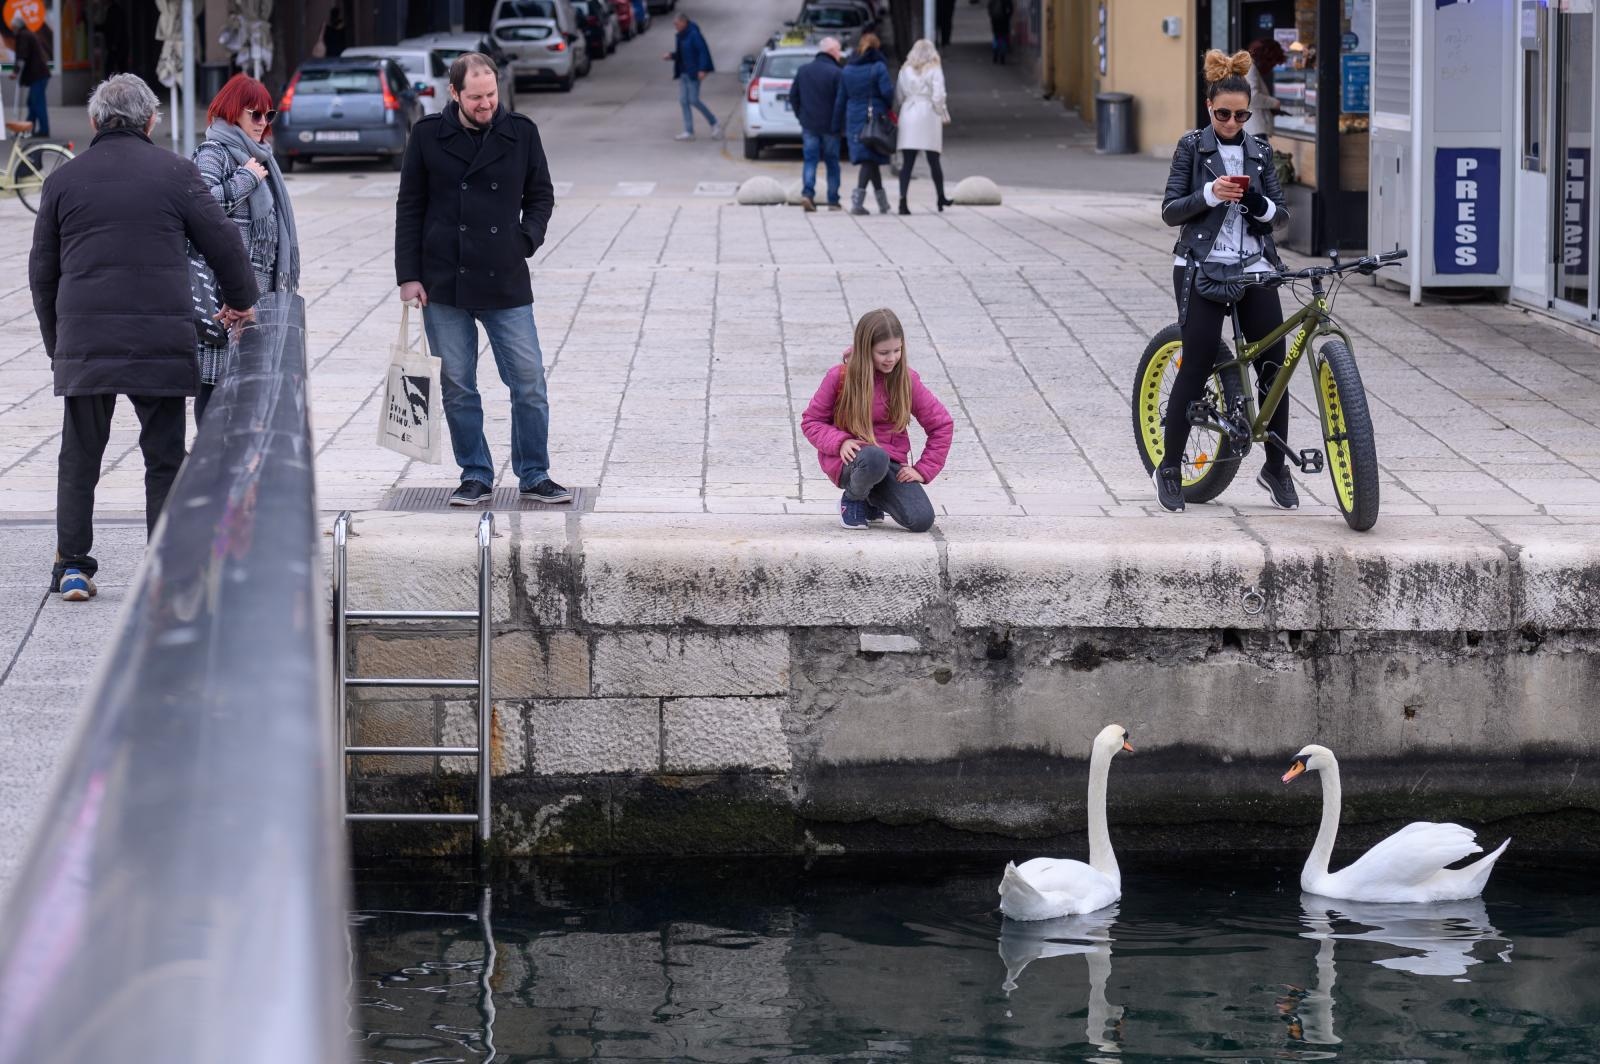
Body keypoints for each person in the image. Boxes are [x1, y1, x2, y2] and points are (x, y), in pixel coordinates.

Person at [29, 74, 258, 601]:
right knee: (164, 457)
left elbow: (42, 273)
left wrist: (58, 345)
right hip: (160, 339)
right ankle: (165, 565)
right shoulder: (176, 172)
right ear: (151, 120)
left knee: (80, 456)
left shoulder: (64, 179)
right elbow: (224, 243)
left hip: (86, 340)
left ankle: (73, 567)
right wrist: (241, 300)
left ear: (94, 121)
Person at [395, 53, 569, 507]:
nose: (486, 103)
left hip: (505, 278)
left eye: (491, 94)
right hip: (444, 280)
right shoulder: (427, 135)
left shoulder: (521, 132)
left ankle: (534, 473)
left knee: (529, 381)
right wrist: (409, 276)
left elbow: (541, 195)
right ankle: (475, 472)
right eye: (475, 97)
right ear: (454, 93)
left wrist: (524, 240)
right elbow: (410, 206)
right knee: (457, 385)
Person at [1156, 50, 1293, 515]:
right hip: (1201, 265)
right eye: (1223, 114)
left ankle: (1275, 468)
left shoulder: (1260, 152)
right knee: (1196, 363)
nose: (1232, 122)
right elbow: (1170, 210)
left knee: (1273, 367)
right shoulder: (1192, 147)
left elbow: (1280, 215)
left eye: (1241, 115)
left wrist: (1257, 203)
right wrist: (1210, 194)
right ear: (1209, 108)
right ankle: (1170, 469)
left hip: (1254, 267)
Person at [190, 74, 299, 423]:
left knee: (250, 388)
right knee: (216, 385)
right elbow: (200, 208)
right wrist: (246, 179)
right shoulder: (213, 152)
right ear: (233, 110)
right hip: (223, 294)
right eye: (255, 114)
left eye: (269, 115)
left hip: (258, 295)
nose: (263, 122)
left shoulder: (262, 156)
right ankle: (210, 452)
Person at [800, 308, 953, 533]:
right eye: (883, 352)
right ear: (865, 349)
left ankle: (872, 497)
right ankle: (853, 498)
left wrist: (923, 469)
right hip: (851, 461)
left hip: (890, 463)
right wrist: (840, 441)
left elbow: (942, 424)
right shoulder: (839, 377)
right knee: (874, 457)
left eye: (897, 350)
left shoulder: (906, 380)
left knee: (921, 520)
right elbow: (811, 421)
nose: (891, 358)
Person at [834, 32, 893, 216]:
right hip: (874, 117)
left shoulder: (848, 70)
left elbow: (841, 98)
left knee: (870, 158)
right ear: (877, 48)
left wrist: (836, 124)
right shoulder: (878, 67)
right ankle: (857, 202)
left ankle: (883, 204)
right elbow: (887, 93)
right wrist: (888, 107)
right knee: (869, 159)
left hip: (854, 118)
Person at [894, 39, 952, 215]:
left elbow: (899, 94)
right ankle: (940, 197)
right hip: (928, 114)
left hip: (908, 112)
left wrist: (905, 106)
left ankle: (903, 201)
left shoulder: (905, 69)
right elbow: (939, 94)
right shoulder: (934, 68)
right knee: (933, 159)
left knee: (907, 162)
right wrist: (939, 110)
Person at [789, 36, 844, 213]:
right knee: (832, 162)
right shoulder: (837, 73)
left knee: (810, 160)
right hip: (831, 126)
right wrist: (840, 123)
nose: (840, 54)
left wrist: (801, 116)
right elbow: (841, 101)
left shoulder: (804, 70)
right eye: (839, 50)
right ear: (832, 52)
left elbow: (793, 96)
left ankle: (807, 193)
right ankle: (833, 200)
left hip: (809, 124)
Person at [663, 12, 719, 141]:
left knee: (694, 100)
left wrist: (703, 69)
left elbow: (703, 51)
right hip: (683, 72)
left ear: (684, 22)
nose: (675, 27)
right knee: (683, 101)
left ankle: (714, 122)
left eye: (677, 24)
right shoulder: (681, 36)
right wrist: (671, 56)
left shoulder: (694, 34)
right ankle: (688, 131)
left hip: (693, 72)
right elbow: (682, 54)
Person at [6, 15, 50, 138]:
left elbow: (22, 55)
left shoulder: (23, 36)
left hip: (38, 75)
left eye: (13, 27)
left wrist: (16, 72)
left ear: (17, 26)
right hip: (39, 74)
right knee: (32, 102)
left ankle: (43, 130)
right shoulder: (27, 34)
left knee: (37, 102)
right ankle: (28, 128)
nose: (12, 29)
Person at [1244, 38, 1285, 139]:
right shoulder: (1251, 69)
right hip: (1254, 128)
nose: (1271, 68)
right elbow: (1252, 97)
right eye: (1273, 64)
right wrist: (1274, 103)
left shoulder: (1246, 67)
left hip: (1250, 128)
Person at [988, 0, 1013, 65]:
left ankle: (995, 52)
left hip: (995, 21)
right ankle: (1002, 57)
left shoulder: (992, 1)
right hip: (1004, 22)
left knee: (996, 37)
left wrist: (992, 17)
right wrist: (1008, 17)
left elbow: (989, 8)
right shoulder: (1007, 1)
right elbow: (1010, 10)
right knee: (1003, 38)